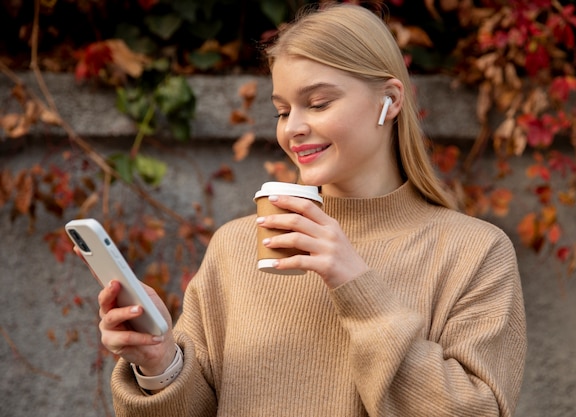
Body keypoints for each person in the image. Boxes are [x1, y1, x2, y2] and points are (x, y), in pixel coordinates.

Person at [93, 3, 527, 416]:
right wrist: (160, 363)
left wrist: (355, 284)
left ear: (391, 100)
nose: (294, 128)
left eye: (318, 103)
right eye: (283, 110)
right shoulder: (239, 245)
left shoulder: (474, 251)